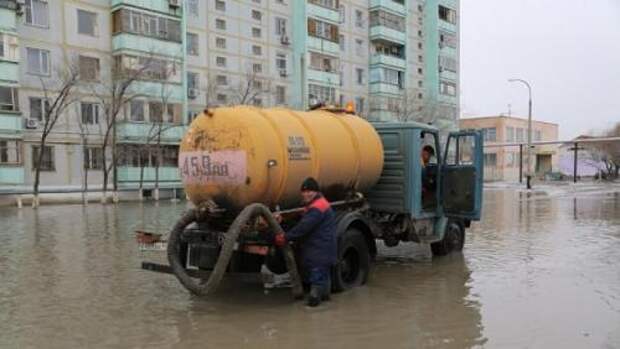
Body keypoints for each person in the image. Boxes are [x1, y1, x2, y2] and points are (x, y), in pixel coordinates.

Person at [273, 177, 337, 307]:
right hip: (323, 247)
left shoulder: (317, 208)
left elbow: (303, 227)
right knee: (323, 278)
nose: (306, 194)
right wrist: (284, 219)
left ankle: (313, 307)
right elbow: (302, 219)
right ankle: (325, 306)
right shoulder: (317, 204)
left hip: (319, 248)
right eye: (304, 191)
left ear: (316, 192)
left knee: (316, 280)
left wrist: (285, 237)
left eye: (310, 192)